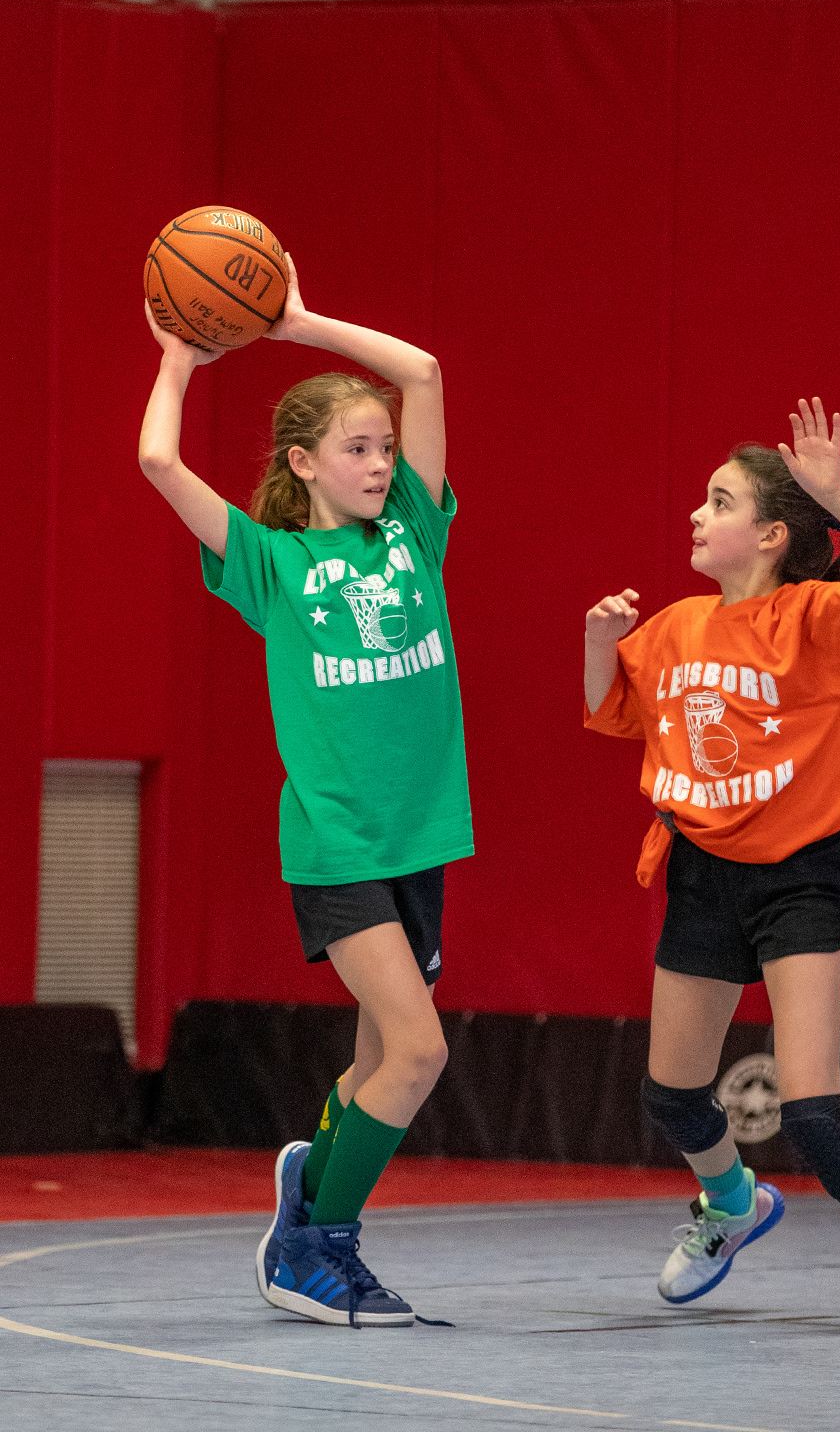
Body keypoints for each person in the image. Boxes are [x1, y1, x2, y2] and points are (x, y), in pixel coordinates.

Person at [139, 257, 472, 1328]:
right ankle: (313, 1247)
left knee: (377, 1059)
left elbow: (421, 370)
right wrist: (180, 359)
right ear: (304, 462)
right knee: (417, 1051)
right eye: (356, 448)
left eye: (384, 447)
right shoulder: (270, 562)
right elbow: (156, 458)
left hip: (419, 839)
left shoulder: (414, 530)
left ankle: (311, 1190)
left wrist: (294, 322)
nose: (379, 463)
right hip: (337, 843)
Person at [584, 398, 840, 1332]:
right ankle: (732, 1204)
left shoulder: (811, 619)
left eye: (719, 502)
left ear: (772, 535)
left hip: (799, 879)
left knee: (811, 1108)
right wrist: (596, 642)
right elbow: (613, 711)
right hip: (702, 871)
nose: (696, 515)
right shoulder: (673, 627)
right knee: (669, 1094)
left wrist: (838, 494)